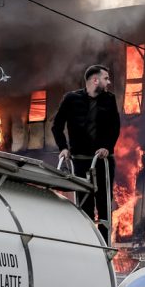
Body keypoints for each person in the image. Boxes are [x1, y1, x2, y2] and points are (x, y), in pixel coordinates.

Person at [52, 64, 120, 240]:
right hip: (81, 161)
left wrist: (107, 147)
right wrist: (63, 148)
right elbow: (57, 126)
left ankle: (104, 244)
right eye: (106, 78)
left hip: (103, 161)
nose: (109, 82)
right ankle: (89, 242)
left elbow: (115, 127)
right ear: (95, 80)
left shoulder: (109, 99)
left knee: (104, 203)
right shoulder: (71, 99)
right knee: (84, 203)